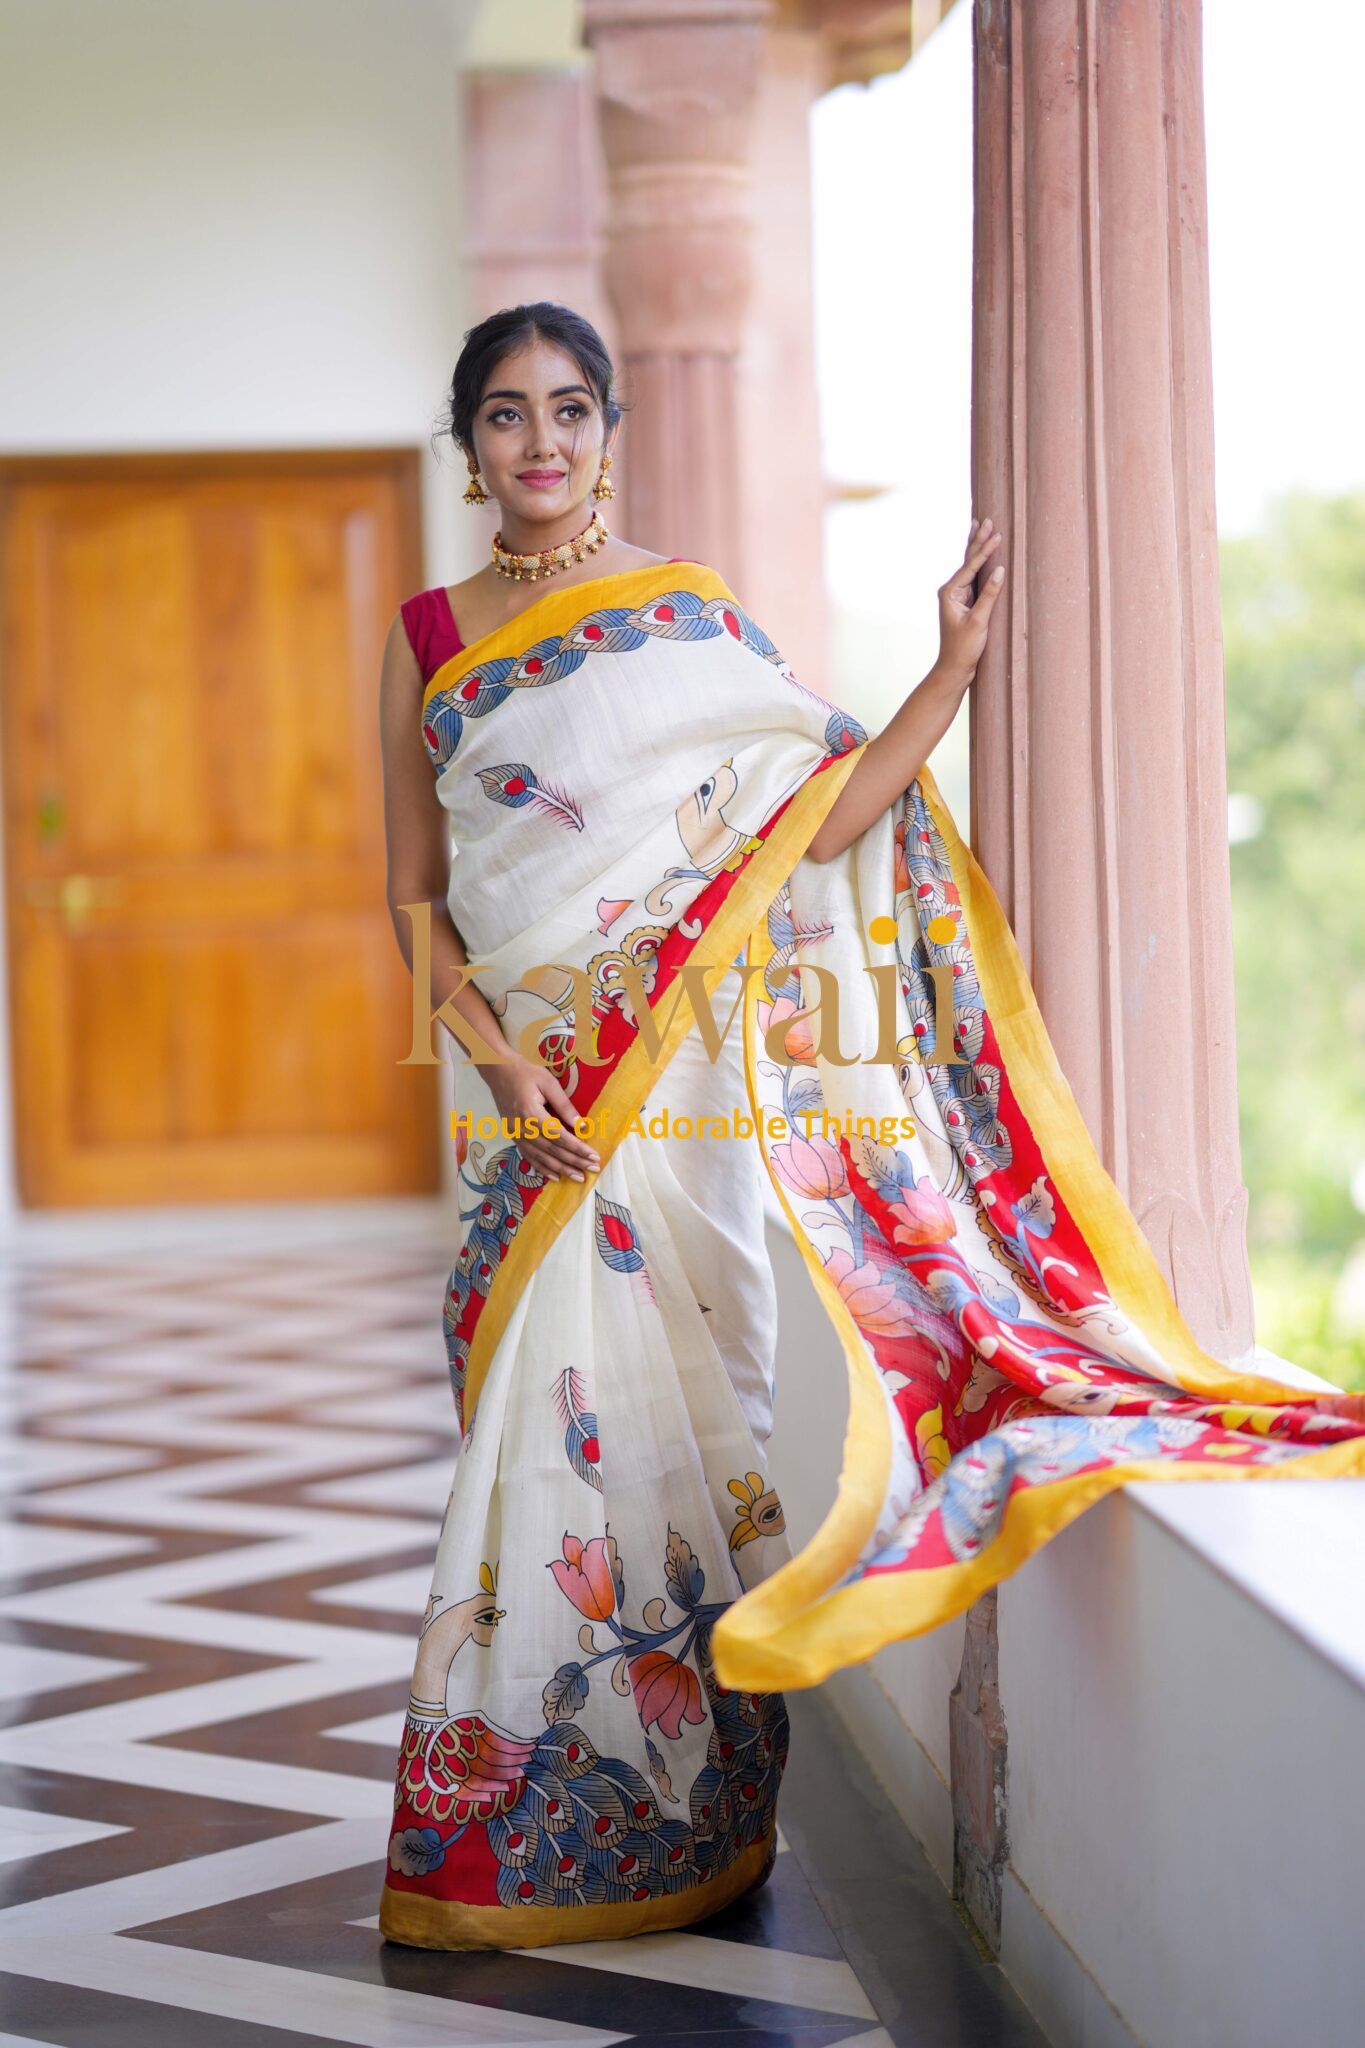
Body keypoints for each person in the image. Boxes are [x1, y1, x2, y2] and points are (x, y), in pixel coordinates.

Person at [376, 302, 1365, 1953]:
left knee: (697, 1444)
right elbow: (415, 900)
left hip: (678, 1111)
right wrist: (494, 1066)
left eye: (565, 409)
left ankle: (688, 1830)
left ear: (611, 429)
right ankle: (508, 1856)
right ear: (464, 443)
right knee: (526, 1447)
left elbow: (821, 819)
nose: (536, 443)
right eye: (500, 415)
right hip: (531, 1118)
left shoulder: (689, 622)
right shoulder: (425, 630)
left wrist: (950, 674)